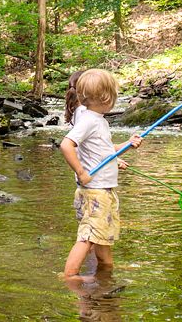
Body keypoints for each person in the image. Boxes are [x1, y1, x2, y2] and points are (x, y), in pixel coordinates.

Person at [60, 69, 142, 281]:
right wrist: (81, 172)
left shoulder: (97, 119)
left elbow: (104, 150)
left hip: (103, 190)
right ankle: (70, 276)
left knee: (102, 235)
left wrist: (127, 145)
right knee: (88, 236)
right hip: (96, 191)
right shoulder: (89, 120)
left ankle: (105, 270)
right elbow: (66, 144)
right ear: (106, 98)